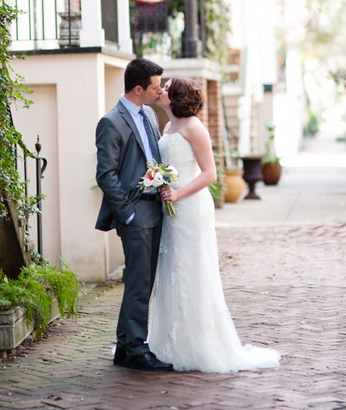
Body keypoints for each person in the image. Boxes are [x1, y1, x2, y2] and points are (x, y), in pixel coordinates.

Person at [148, 76, 281, 373]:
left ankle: (200, 344)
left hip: (192, 208)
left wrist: (179, 193)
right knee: (171, 269)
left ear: (177, 96)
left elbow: (210, 174)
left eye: (167, 88)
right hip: (172, 209)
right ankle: (168, 342)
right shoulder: (168, 126)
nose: (161, 90)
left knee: (193, 270)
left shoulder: (195, 127)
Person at [94, 58, 173, 372]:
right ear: (138, 88)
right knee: (140, 283)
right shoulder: (111, 122)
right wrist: (127, 214)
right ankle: (138, 351)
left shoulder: (151, 115)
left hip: (155, 210)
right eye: (155, 87)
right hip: (135, 215)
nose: (159, 92)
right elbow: (106, 174)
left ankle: (125, 348)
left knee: (142, 281)